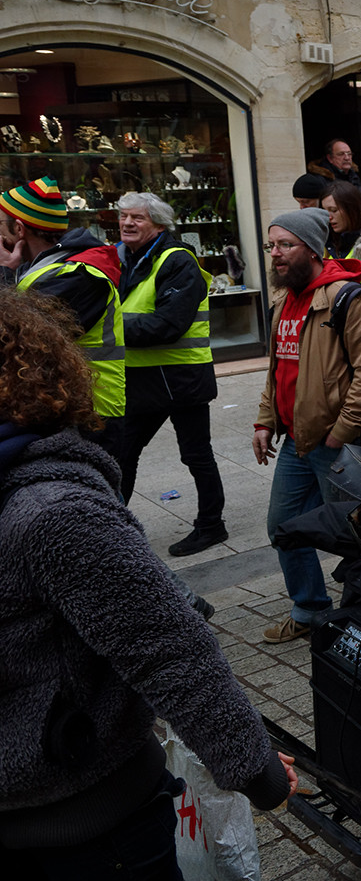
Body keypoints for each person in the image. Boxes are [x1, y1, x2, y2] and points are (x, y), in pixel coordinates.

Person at [0, 288, 298, 878]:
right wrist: (257, 770)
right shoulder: (54, 512)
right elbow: (169, 650)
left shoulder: (43, 506)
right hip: (85, 821)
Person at [254, 208, 361, 643]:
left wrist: (342, 431)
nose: (275, 254)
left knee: (355, 539)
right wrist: (265, 421)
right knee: (283, 527)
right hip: (297, 444)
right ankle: (310, 609)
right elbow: (277, 371)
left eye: (285, 245)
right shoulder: (283, 301)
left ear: (313, 249)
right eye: (272, 245)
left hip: (340, 447)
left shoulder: (347, 299)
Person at [114, 191, 228, 556]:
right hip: (141, 379)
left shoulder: (177, 260)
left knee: (196, 454)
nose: (127, 223)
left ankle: (211, 525)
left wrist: (108, 329)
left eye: (137, 218)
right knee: (122, 454)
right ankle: (111, 529)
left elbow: (168, 324)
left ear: (159, 224)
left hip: (182, 379)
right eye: (123, 216)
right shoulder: (122, 258)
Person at [0, 177, 124, 451]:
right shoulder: (38, 267)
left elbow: (18, 337)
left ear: (18, 229)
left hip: (90, 415)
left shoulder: (79, 275)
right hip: (61, 406)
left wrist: (4, 274)